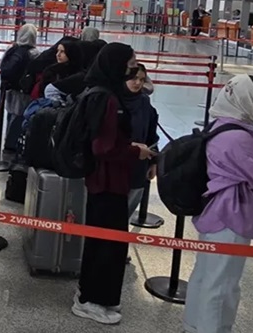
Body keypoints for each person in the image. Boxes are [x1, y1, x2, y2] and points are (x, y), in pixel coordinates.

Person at [183, 75, 253, 333]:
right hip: (232, 214)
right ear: (248, 99)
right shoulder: (238, 137)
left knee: (206, 274)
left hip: (216, 210)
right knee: (223, 282)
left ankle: (193, 325)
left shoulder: (222, 124)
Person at [72, 43, 155, 325]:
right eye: (130, 63)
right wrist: (134, 151)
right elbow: (103, 147)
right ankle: (91, 300)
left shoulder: (101, 92)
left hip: (104, 180)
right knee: (108, 244)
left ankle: (92, 293)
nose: (133, 68)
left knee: (102, 241)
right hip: (108, 180)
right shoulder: (107, 99)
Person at [123, 64, 159, 219]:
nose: (138, 83)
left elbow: (151, 133)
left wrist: (153, 162)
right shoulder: (112, 100)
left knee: (126, 213)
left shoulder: (144, 103)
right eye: (133, 78)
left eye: (142, 79)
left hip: (138, 167)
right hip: (116, 167)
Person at [1, 24, 39, 160]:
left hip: (10, 88)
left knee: (10, 115)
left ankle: (8, 141)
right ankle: (12, 145)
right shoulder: (34, 53)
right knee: (19, 117)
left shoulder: (11, 49)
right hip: (24, 91)